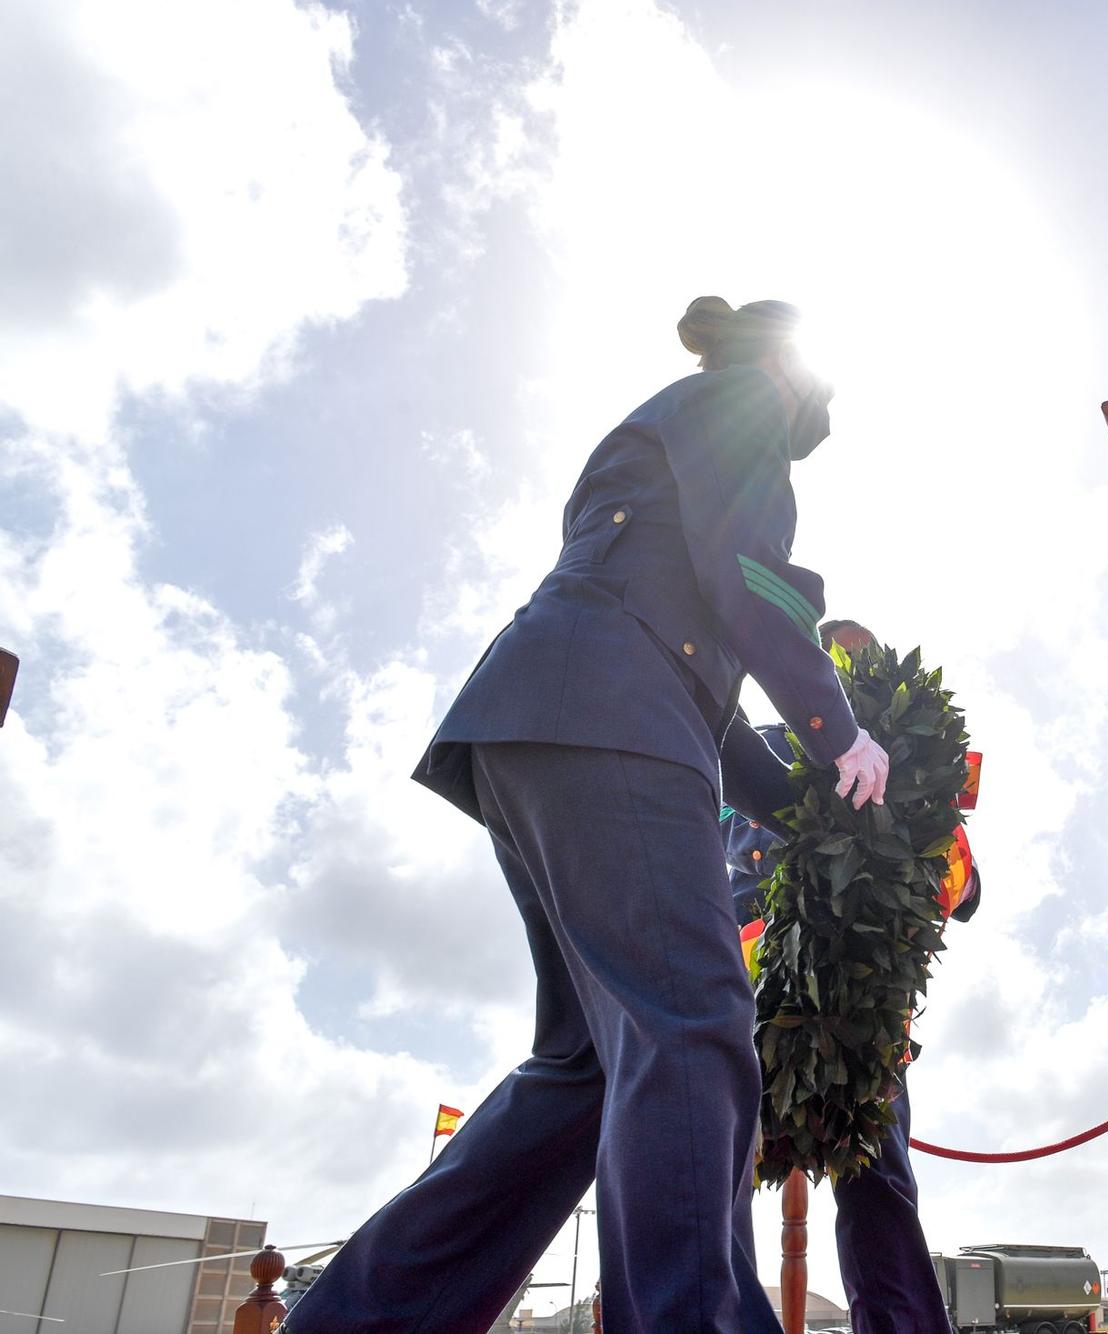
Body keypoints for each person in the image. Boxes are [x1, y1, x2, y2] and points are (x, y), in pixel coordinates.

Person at [282, 297, 890, 1334]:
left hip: (557, 718)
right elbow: (750, 575)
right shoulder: (741, 401)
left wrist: (811, 802)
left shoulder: (691, 419)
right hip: (609, 723)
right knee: (693, 1021)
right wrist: (840, 728)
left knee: (578, 1079)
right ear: (789, 368)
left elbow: (710, 699)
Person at [725, 618, 978, 1334]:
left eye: (852, 663)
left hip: (858, 1003)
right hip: (744, 988)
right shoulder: (752, 748)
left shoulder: (893, 761)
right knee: (723, 1165)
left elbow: (964, 887)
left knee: (874, 1175)